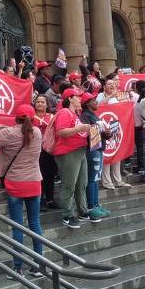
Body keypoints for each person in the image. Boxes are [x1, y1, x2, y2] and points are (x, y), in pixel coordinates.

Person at [0, 104, 44, 278]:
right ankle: (38, 266)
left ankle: (18, 267)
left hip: (15, 184)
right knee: (35, 223)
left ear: (16, 117)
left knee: (17, 226)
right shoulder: (37, 133)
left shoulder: (9, 133)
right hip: (34, 183)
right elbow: (23, 132)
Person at [53, 87, 96, 229]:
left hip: (80, 150)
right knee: (69, 184)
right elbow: (61, 132)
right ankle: (68, 214)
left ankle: (82, 211)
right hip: (69, 152)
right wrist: (80, 128)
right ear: (70, 98)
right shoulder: (64, 112)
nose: (80, 98)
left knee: (81, 184)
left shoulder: (75, 114)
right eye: (77, 96)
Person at [79, 93, 110, 219]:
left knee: (96, 178)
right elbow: (88, 132)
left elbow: (99, 133)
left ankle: (96, 204)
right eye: (93, 100)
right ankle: (91, 206)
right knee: (92, 178)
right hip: (91, 150)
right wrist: (102, 132)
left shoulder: (94, 115)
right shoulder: (85, 116)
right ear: (87, 103)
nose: (96, 102)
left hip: (98, 149)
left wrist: (107, 133)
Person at [96, 78, 130, 190]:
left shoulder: (118, 97)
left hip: (116, 128)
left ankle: (118, 180)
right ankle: (107, 182)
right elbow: (98, 106)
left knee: (116, 155)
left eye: (113, 83)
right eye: (109, 83)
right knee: (107, 155)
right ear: (104, 86)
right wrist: (111, 96)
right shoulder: (100, 95)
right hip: (104, 128)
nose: (112, 85)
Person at [33, 95, 59, 212]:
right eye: (38, 102)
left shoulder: (52, 116)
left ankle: (50, 199)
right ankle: (41, 200)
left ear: (47, 104)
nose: (40, 104)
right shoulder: (31, 117)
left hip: (50, 149)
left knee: (50, 175)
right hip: (36, 150)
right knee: (40, 176)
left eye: (42, 102)